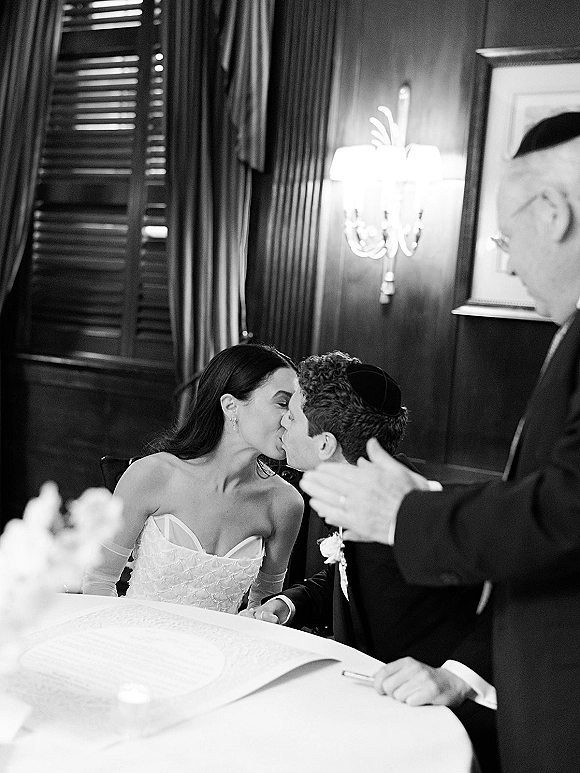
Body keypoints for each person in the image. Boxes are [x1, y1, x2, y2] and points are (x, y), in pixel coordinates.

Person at [300, 113, 580, 773]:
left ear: (553, 211)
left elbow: (566, 509)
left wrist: (408, 514)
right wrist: (463, 671)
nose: (506, 260)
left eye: (506, 238)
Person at [243, 351, 499, 772]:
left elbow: (506, 600)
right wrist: (290, 604)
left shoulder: (415, 510)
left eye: (290, 416)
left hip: (437, 720)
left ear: (325, 445)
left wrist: (454, 676)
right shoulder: (347, 490)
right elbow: (347, 576)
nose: (281, 425)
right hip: (372, 700)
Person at [82, 343, 304, 613]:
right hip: (136, 640)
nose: (291, 418)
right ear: (231, 405)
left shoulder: (285, 503)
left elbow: (266, 605)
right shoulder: (153, 475)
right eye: (282, 403)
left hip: (222, 651)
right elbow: (99, 582)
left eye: (295, 407)